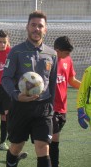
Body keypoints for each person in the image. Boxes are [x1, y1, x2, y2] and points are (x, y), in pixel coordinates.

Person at [2, 10, 58, 167]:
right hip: (20, 106)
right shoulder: (16, 51)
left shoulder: (52, 54)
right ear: (27, 27)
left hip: (43, 107)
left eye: (40, 26)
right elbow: (5, 78)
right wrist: (15, 95)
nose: (36, 29)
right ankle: (12, 161)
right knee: (16, 146)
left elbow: (52, 82)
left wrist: (52, 107)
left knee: (43, 147)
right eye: (33, 25)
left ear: (45, 29)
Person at [49, 36, 81, 167]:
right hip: (50, 107)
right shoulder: (47, 60)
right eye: (66, 52)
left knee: (51, 140)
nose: (68, 55)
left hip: (63, 107)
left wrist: (86, 86)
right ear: (57, 50)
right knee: (54, 138)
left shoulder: (68, 60)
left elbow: (72, 80)